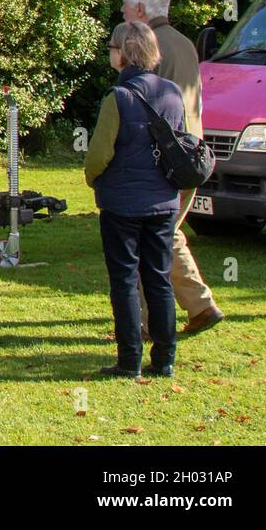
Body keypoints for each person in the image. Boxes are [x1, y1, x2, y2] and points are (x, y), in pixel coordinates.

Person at [122, 0, 225, 336]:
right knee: (166, 233)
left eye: (125, 4)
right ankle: (200, 305)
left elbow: (140, 105)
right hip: (191, 156)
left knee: (144, 239)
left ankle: (146, 324)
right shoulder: (184, 43)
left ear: (139, 10)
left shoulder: (150, 47)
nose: (122, 10)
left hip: (162, 161)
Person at [84, 21, 185, 378]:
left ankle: (129, 361)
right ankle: (165, 359)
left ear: (124, 52)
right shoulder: (172, 92)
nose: (110, 52)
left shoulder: (119, 98)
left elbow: (99, 154)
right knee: (158, 279)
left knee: (125, 280)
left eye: (112, 47)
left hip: (123, 203)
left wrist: (92, 178)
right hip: (162, 201)